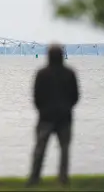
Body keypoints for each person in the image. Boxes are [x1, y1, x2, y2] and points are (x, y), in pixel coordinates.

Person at [26, 44, 80, 186]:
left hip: (45, 118)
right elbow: (75, 96)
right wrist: (67, 107)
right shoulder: (70, 73)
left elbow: (36, 96)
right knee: (64, 151)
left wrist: (42, 110)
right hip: (64, 118)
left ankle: (34, 178)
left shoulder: (42, 73)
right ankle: (63, 179)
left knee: (39, 150)